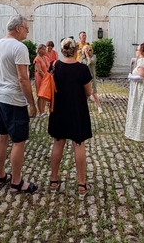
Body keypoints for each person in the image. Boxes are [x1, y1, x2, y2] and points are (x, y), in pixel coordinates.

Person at [0, 15, 38, 194]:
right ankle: (17, 183)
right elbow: (23, 78)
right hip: (13, 98)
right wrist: (31, 103)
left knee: (2, 137)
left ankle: (1, 175)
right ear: (18, 28)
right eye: (26, 28)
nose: (27, 31)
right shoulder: (19, 47)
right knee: (19, 141)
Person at [48, 38, 94, 196]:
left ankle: (54, 180)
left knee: (58, 143)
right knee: (79, 144)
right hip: (77, 109)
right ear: (76, 51)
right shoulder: (82, 69)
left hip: (58, 109)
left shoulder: (54, 66)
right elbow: (88, 92)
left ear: (62, 50)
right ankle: (81, 183)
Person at [79, 44, 102, 113]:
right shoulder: (82, 58)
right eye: (87, 50)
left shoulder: (93, 57)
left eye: (90, 50)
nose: (89, 51)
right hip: (84, 77)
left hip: (91, 77)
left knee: (93, 93)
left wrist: (88, 55)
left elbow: (90, 62)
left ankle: (99, 106)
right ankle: (81, 106)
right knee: (84, 92)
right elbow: (84, 65)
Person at [33, 44, 50, 116]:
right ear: (39, 50)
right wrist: (45, 77)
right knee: (40, 95)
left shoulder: (46, 58)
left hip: (46, 78)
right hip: (40, 78)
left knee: (44, 95)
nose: (44, 50)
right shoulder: (37, 59)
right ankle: (41, 111)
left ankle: (43, 111)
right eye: (43, 49)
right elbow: (39, 70)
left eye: (45, 49)